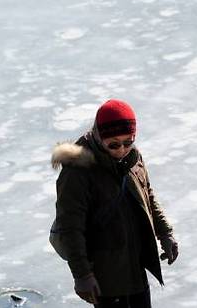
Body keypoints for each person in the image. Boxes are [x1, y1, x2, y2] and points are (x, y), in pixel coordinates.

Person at [50, 99, 179, 307]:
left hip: (135, 267)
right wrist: (82, 274)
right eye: (114, 144)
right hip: (105, 276)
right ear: (98, 136)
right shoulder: (77, 172)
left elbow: (148, 196)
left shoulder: (133, 159)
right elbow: (70, 228)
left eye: (128, 142)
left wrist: (165, 232)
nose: (122, 149)